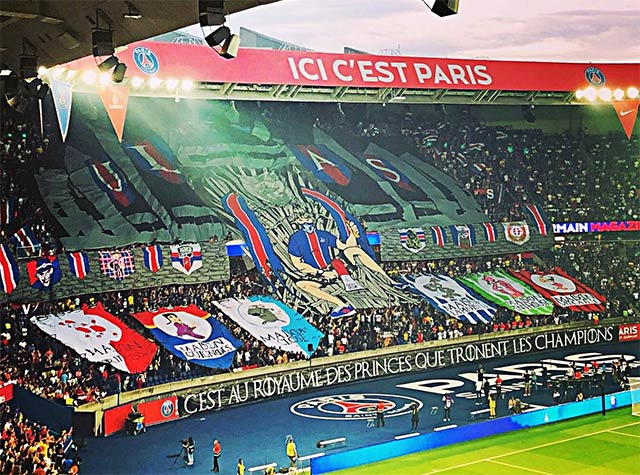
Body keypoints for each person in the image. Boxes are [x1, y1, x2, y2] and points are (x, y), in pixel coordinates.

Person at [287, 214, 394, 318]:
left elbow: (344, 246)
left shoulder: (323, 234)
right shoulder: (295, 239)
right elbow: (298, 264)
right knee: (302, 285)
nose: (308, 225)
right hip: (319, 273)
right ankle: (342, 305)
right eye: (304, 223)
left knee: (353, 250)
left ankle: (389, 280)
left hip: (334, 266)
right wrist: (320, 273)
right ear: (299, 224)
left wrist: (353, 234)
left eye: (309, 221)